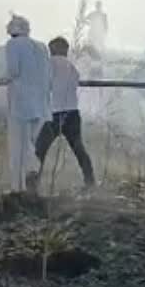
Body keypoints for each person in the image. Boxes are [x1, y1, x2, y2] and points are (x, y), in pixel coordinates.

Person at [33, 37, 95, 188]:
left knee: (39, 151)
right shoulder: (72, 67)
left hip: (55, 113)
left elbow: (43, 87)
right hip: (72, 113)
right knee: (79, 149)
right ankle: (90, 182)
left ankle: (31, 186)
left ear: (53, 49)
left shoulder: (48, 64)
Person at [0, 15, 50, 193]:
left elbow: (12, 71)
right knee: (30, 144)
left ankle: (18, 187)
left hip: (21, 105)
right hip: (40, 105)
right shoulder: (42, 47)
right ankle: (31, 176)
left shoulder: (13, 45)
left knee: (17, 148)